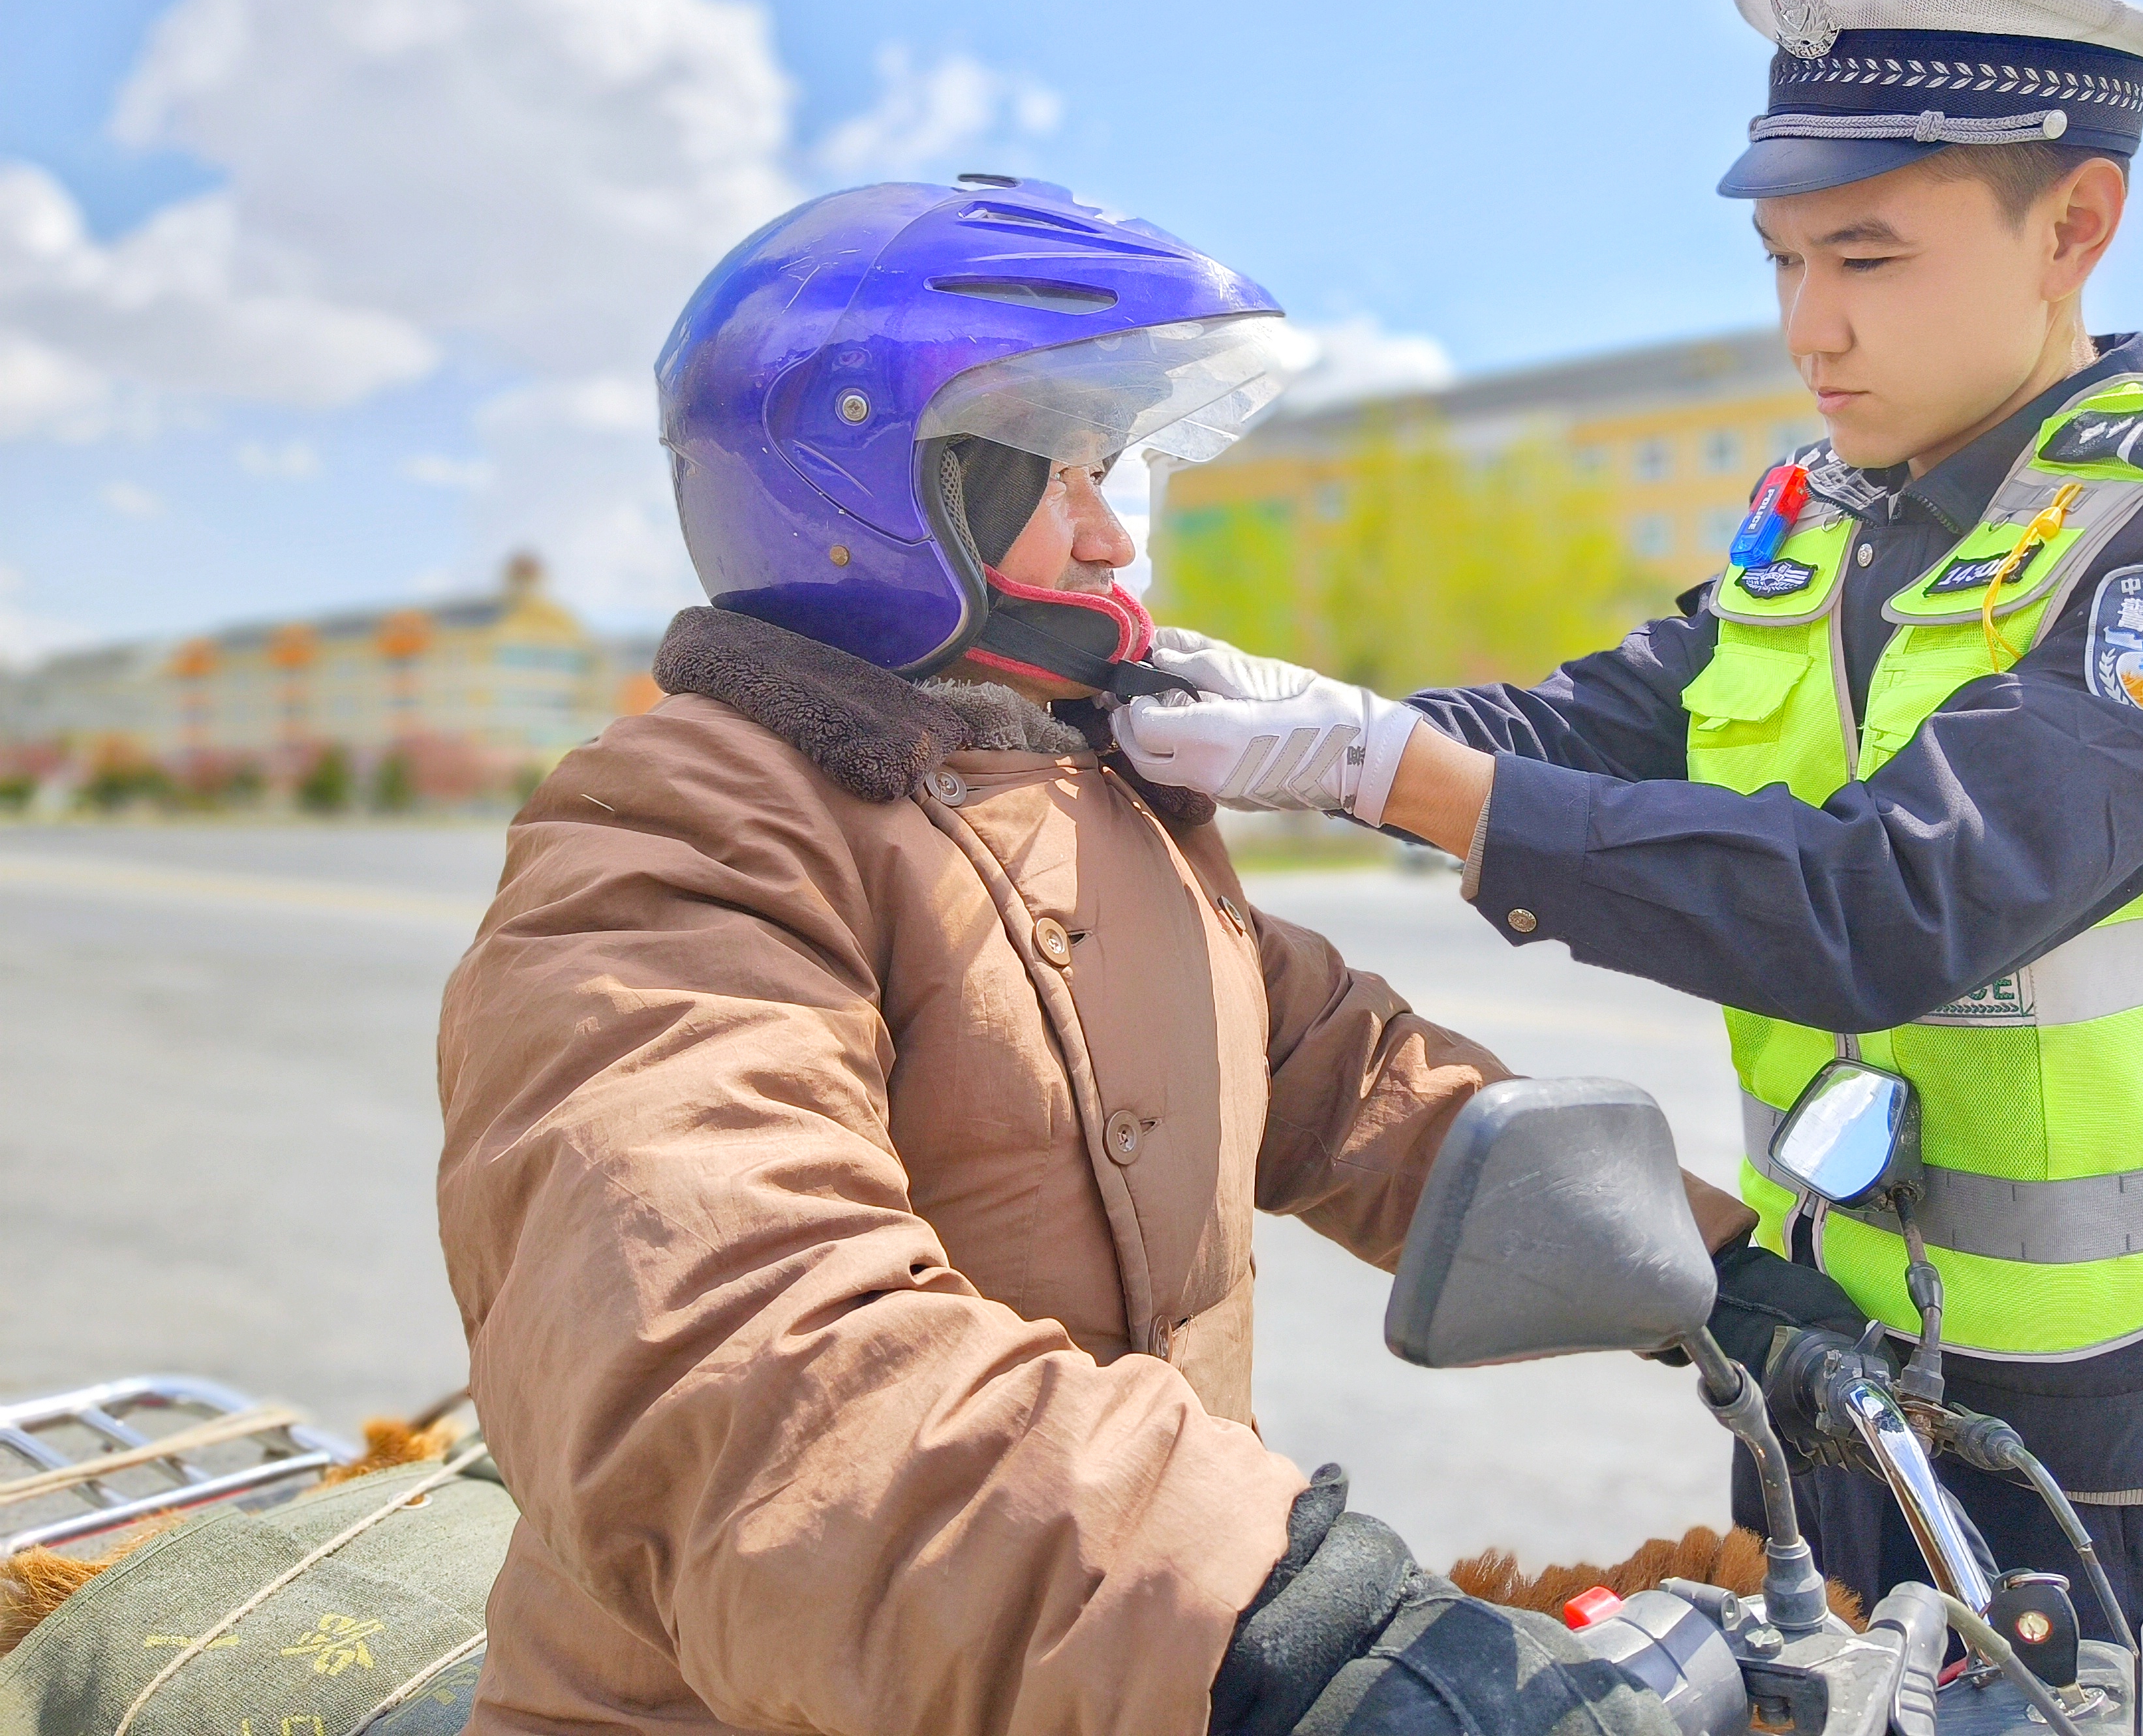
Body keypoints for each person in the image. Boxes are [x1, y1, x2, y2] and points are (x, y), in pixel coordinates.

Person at [1114, 0, 2143, 1633]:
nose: (1809, 327)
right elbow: (1593, 728)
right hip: (1812, 1338)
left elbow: (1903, 897)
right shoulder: (1820, 524)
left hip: (2094, 1410)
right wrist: (1292, 729)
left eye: (1867, 257)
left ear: (2074, 225)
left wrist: (1396, 775)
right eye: (1782, 263)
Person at [434, 176, 1750, 1736]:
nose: (1110, 531)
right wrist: (1284, 1623)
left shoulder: (1094, 788)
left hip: (1115, 1674)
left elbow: (1336, 1072)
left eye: (1107, 469)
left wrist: (1715, 1276)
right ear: (871, 490)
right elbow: (727, 1344)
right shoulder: (679, 828)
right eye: (1049, 475)